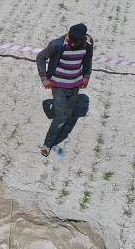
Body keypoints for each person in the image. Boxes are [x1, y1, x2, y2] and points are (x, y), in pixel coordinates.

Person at [36, 23, 93, 156]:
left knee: (68, 113)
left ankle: (60, 128)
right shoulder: (57, 44)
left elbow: (88, 59)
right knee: (60, 117)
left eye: (76, 42)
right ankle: (48, 144)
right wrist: (44, 78)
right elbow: (41, 57)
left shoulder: (88, 44)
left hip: (75, 85)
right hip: (58, 86)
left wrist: (86, 76)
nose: (72, 44)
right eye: (71, 41)